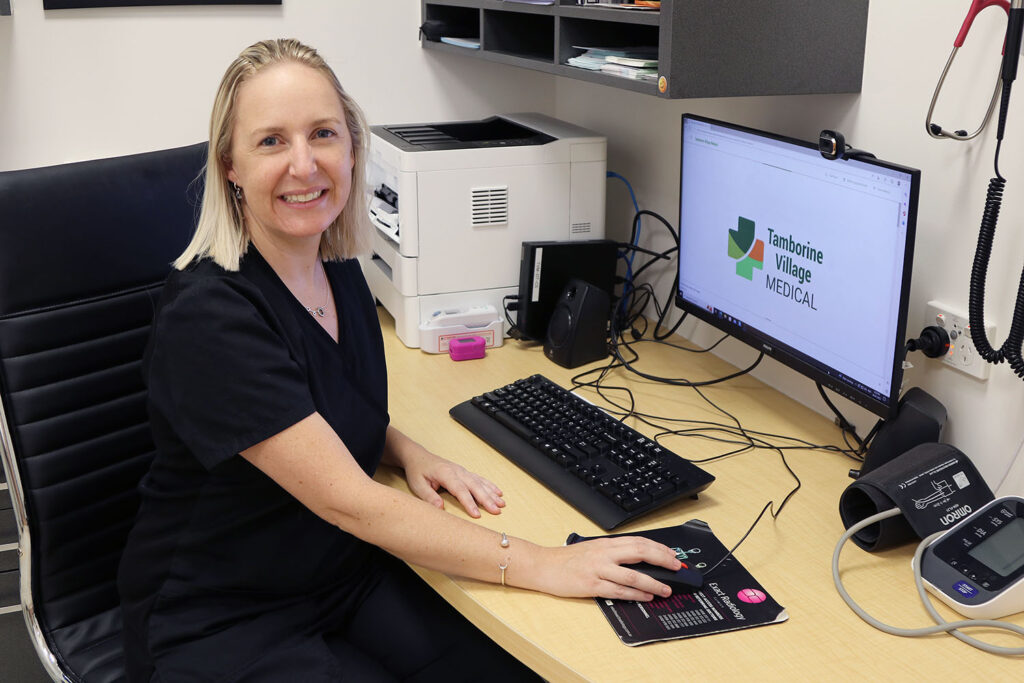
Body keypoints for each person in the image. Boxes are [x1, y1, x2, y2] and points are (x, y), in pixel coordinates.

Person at [116, 38, 684, 682]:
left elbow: (319, 404)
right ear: (230, 167)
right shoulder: (210, 315)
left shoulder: (335, 268)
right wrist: (538, 561)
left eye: (323, 134)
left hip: (338, 573)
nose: (304, 165)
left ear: (353, 149)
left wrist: (410, 451)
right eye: (271, 142)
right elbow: (349, 500)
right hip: (220, 617)